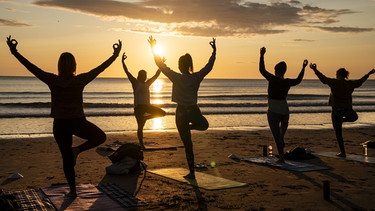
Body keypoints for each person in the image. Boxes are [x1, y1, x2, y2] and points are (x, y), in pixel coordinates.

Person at [6, 35, 122, 197]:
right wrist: (114, 56)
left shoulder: (53, 80)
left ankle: (73, 190)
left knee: (67, 158)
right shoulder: (79, 80)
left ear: (59, 65)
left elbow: (31, 68)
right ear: (74, 65)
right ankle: (77, 153)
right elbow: (99, 69)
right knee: (99, 137)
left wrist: (15, 52)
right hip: (77, 122)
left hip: (61, 124)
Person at [148, 36, 216, 179]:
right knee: (204, 125)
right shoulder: (196, 77)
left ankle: (191, 171)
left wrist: (153, 48)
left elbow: (160, 65)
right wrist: (214, 52)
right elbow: (208, 67)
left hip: (181, 114)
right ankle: (191, 172)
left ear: (180, 66)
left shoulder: (177, 77)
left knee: (188, 144)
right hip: (193, 110)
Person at [309, 63, 375, 157]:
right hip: (347, 109)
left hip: (337, 111)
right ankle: (342, 121)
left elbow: (323, 79)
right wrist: (368, 74)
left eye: (337, 75)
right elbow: (360, 81)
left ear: (339, 75)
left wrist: (315, 70)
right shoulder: (350, 83)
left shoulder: (335, 82)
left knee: (338, 132)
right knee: (354, 117)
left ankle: (343, 152)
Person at [259, 47, 308, 163]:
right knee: (280, 135)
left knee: (277, 136)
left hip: (273, 111)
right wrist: (303, 68)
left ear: (276, 70)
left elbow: (262, 70)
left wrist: (261, 55)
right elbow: (298, 80)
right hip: (285, 112)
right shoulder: (287, 82)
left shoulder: (272, 79)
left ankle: (281, 158)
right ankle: (281, 145)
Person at [121, 52, 166, 149]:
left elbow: (156, 75)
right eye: (143, 75)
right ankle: (141, 144)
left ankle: (146, 118)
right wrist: (122, 62)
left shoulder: (147, 83)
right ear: (139, 76)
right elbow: (127, 72)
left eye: (145, 75)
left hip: (147, 107)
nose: (145, 77)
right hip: (139, 108)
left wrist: (161, 63)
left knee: (162, 113)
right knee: (140, 127)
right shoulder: (135, 83)